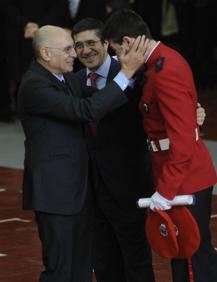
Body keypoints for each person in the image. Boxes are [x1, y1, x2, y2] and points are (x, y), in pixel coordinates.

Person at [71, 18, 207, 282]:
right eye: (78, 45)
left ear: (107, 44)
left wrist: (193, 114)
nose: (85, 50)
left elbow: (170, 111)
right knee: (103, 261)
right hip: (92, 187)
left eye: (92, 43)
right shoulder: (72, 81)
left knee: (142, 261)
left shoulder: (143, 72)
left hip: (132, 182)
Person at [17, 25, 149, 282]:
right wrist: (126, 73)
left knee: (80, 269)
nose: (74, 55)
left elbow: (101, 98)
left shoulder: (61, 80)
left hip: (74, 194)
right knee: (61, 270)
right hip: (56, 197)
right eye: (67, 49)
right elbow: (85, 110)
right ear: (46, 53)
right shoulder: (35, 85)